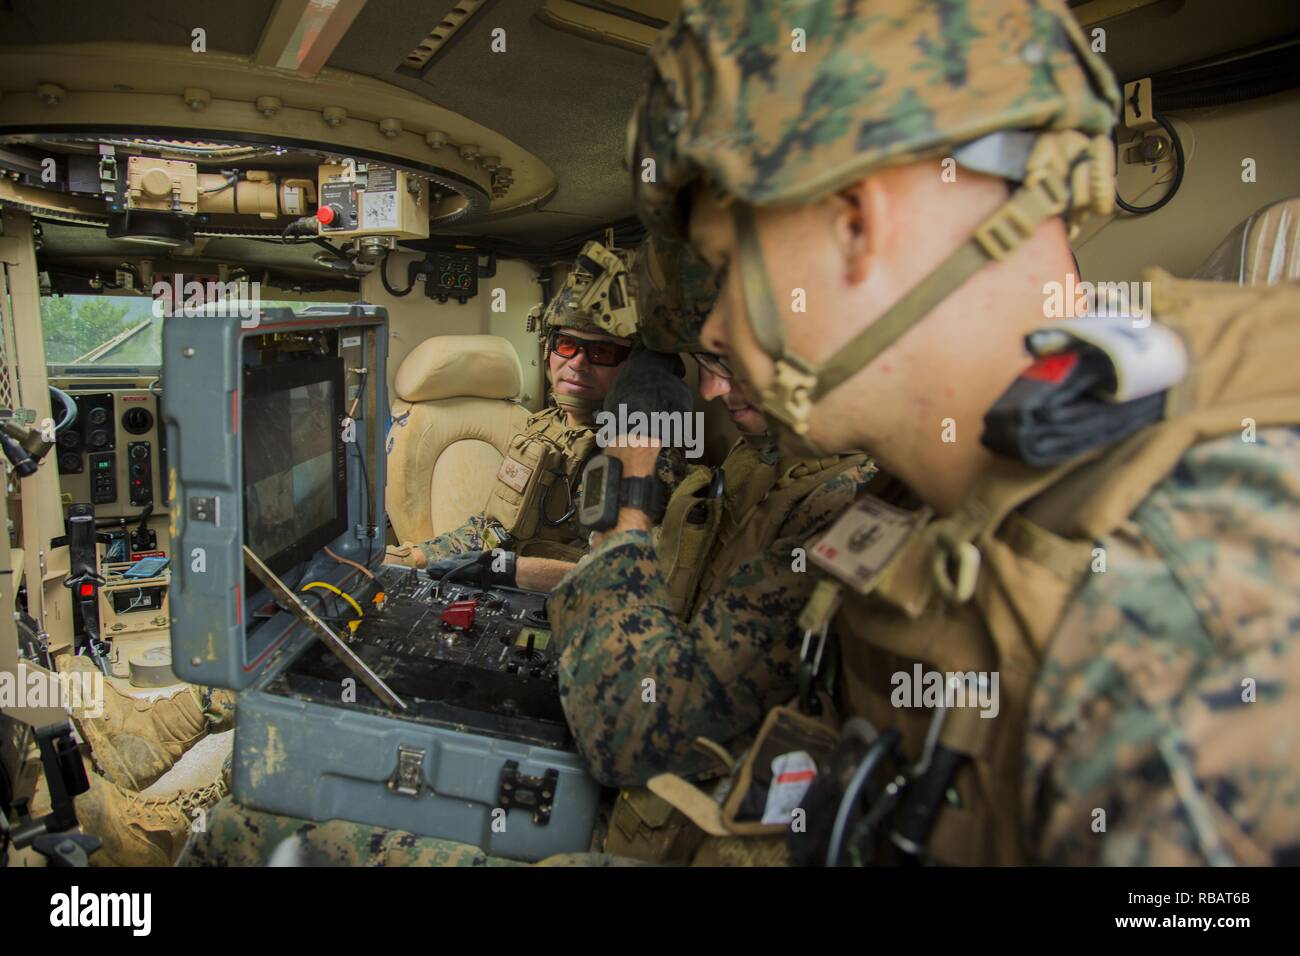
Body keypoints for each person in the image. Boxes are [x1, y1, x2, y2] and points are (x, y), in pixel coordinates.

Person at [627, 0, 1300, 865]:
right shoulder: (920, 502)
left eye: (724, 268)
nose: (714, 329)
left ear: (857, 225)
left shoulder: (1184, 624)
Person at [390, 242, 642, 592]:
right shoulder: (542, 427)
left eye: (600, 351)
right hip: (510, 591)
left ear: (631, 366)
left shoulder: (640, 453)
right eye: (566, 345)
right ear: (548, 346)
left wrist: (507, 571)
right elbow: (493, 531)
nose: (577, 363)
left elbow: (617, 578)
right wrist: (412, 558)